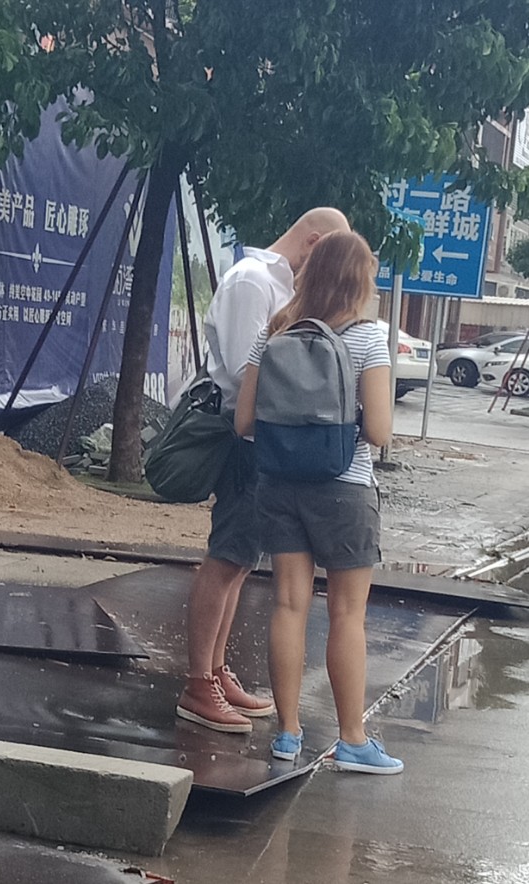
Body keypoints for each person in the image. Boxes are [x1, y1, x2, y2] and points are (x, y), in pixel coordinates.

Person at [175, 208, 351, 734]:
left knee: (240, 561)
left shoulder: (274, 285)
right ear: (313, 242)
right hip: (246, 439)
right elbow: (241, 370)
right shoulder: (252, 282)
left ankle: (215, 670)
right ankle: (198, 684)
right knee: (226, 557)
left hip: (265, 443)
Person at [234, 230, 404, 773]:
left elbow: (244, 422)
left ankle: (287, 734)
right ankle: (352, 740)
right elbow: (378, 432)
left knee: (288, 605)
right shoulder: (368, 338)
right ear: (360, 280)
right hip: (344, 488)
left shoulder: (274, 331)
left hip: (279, 484)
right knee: (347, 613)